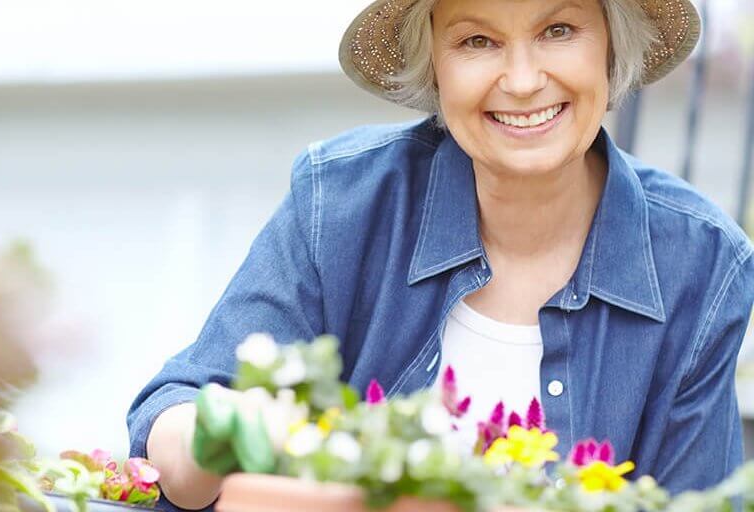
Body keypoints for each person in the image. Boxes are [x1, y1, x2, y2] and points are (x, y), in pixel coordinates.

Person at [128, 0, 753, 510]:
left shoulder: (699, 263)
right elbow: (172, 419)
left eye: (558, 30)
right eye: (476, 41)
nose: (523, 79)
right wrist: (212, 433)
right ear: (435, 66)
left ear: (611, 46)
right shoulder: (343, 202)